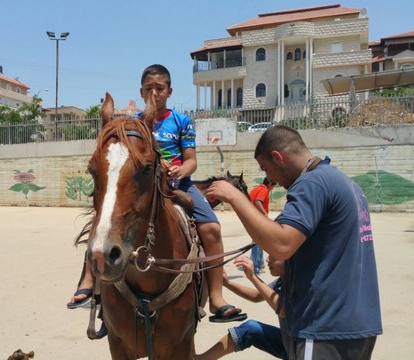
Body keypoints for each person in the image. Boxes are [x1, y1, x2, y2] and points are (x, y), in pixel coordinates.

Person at [68, 64, 245, 323]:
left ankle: (216, 297)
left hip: (179, 184)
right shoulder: (136, 124)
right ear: (141, 91)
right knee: (105, 217)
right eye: (149, 88)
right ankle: (90, 282)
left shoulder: (181, 121)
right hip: (147, 185)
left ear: (170, 91)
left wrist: (180, 170)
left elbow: (191, 160)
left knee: (212, 229)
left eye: (159, 88)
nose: (154, 93)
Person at [206, 125, 382, 359]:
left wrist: (234, 196)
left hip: (324, 327)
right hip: (355, 326)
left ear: (278, 158)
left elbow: (281, 244)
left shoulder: (312, 183)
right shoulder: (346, 183)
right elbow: (329, 252)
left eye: (267, 169)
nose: (271, 179)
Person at [196, 255, 288, 360]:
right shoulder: (283, 279)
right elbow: (257, 295)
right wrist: (227, 283)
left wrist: (252, 276)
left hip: (301, 347)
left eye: (273, 256)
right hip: (288, 342)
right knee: (250, 329)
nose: (267, 259)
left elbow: (282, 309)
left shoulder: (301, 282)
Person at [249, 177, 276, 275]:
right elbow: (258, 201)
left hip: (252, 218)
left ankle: (259, 263)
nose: (273, 188)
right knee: (258, 242)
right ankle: (255, 266)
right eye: (274, 185)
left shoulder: (255, 189)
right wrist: (264, 214)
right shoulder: (264, 190)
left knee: (259, 242)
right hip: (259, 220)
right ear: (270, 183)